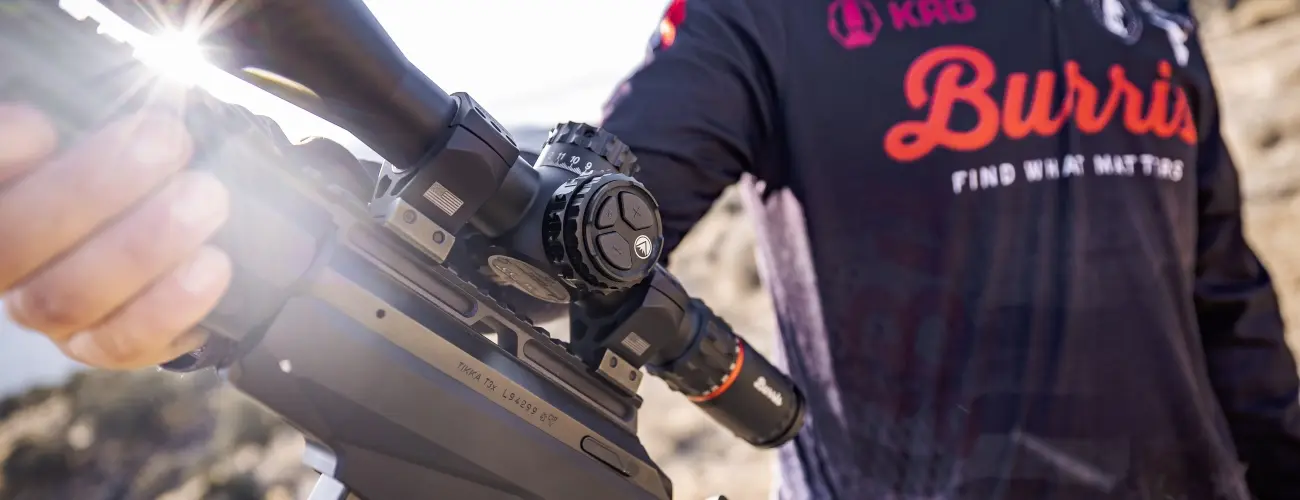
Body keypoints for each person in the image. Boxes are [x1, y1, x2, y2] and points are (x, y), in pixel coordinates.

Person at [0, 0, 1297, 499]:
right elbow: (574, 234)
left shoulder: (1153, 15)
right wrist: (240, 264)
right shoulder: (769, 18)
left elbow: (1226, 299)